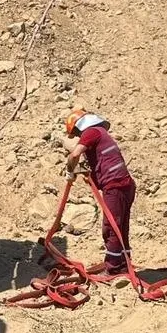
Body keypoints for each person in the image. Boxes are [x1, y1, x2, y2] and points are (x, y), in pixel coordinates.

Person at [63, 108, 136, 276]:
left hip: (115, 186)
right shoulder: (100, 133)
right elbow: (101, 160)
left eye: (75, 132)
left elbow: (74, 155)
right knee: (120, 227)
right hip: (123, 185)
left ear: (79, 126)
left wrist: (70, 171)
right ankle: (123, 264)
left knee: (111, 228)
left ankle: (113, 268)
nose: (77, 136)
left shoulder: (91, 132)